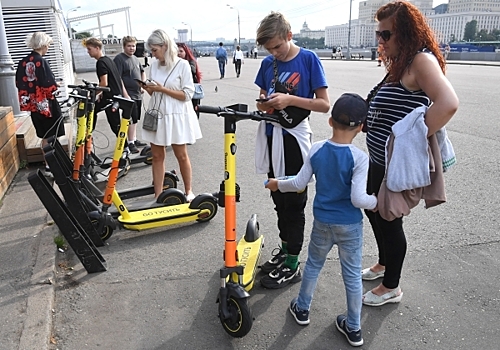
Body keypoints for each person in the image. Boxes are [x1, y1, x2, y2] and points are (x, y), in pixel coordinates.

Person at [361, 0, 459, 307]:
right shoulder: (400, 63)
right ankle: (384, 263)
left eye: (386, 34)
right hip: (379, 160)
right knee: (374, 211)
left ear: (405, 33)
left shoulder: (419, 61)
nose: (381, 41)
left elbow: (448, 103)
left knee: (390, 221)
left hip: (393, 165)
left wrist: (411, 138)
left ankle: (392, 286)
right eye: (378, 35)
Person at [265, 93, 377, 347]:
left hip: (323, 222)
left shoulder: (316, 150)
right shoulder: (359, 158)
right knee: (351, 275)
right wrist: (377, 202)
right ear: (361, 128)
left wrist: (275, 184)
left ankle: (302, 308)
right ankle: (354, 326)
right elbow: (359, 199)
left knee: (314, 264)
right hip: (350, 225)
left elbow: (298, 183)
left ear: (330, 121)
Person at [254, 11, 330, 289]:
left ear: (289, 35)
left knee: (294, 203)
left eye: (277, 46)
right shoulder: (267, 63)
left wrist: (289, 99)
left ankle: (293, 264)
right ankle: (285, 252)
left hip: (295, 140)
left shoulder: (308, 59)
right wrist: (266, 104)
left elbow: (324, 104)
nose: (274, 53)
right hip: (273, 135)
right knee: (278, 200)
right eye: (269, 49)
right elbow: (262, 100)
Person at [142, 29, 202, 200]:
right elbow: (155, 95)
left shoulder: (182, 65)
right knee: (157, 156)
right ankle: (158, 195)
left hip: (177, 114)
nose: (153, 55)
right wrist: (149, 89)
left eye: (155, 50)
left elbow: (187, 95)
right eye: (151, 51)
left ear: (165, 46)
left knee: (181, 155)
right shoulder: (153, 66)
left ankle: (189, 191)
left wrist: (162, 89)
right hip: (158, 113)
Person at [15, 32, 65, 177]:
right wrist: (56, 87)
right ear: (43, 45)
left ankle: (49, 164)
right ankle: (53, 165)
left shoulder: (23, 62)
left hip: (33, 106)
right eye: (48, 44)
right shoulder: (41, 61)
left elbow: (19, 83)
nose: (48, 47)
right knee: (52, 135)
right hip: (46, 104)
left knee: (44, 135)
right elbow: (48, 85)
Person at [85, 37, 130, 137]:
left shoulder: (100, 63)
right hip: (114, 95)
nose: (88, 52)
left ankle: (88, 135)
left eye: (89, 49)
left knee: (114, 123)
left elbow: (104, 82)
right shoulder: (108, 60)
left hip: (111, 97)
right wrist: (101, 92)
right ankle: (88, 135)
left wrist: (93, 94)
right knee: (112, 121)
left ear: (97, 48)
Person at [114, 36, 148, 154]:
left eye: (133, 46)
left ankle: (133, 138)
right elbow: (118, 78)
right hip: (129, 95)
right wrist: (125, 94)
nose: (132, 48)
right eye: (129, 46)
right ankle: (130, 143)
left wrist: (143, 85)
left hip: (138, 93)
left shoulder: (135, 58)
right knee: (130, 119)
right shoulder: (119, 59)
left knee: (136, 118)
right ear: (124, 46)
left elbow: (142, 72)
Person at [177, 42, 202, 117]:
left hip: (192, 91)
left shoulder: (191, 61)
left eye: (181, 51)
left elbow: (193, 70)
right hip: (179, 92)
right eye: (176, 51)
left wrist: (182, 65)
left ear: (186, 52)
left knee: (193, 111)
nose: (178, 53)